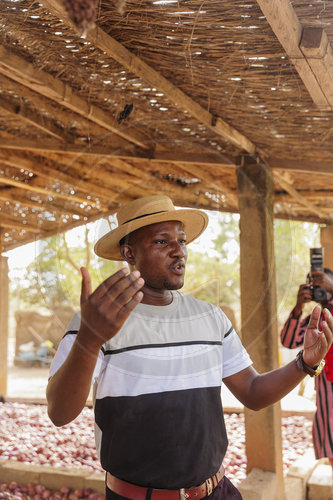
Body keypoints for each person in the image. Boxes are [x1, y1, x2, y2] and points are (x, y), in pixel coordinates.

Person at [46, 195, 333, 500]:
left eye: (181, 241)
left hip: (216, 492)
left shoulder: (210, 317)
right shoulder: (97, 320)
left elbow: (252, 392)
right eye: (161, 241)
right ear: (129, 253)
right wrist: (89, 341)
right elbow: (60, 413)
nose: (178, 251)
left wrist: (304, 363)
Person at [280, 268, 333, 471]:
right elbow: (288, 340)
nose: (320, 289)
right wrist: (298, 306)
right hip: (328, 401)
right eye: (315, 285)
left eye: (323, 283)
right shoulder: (317, 318)